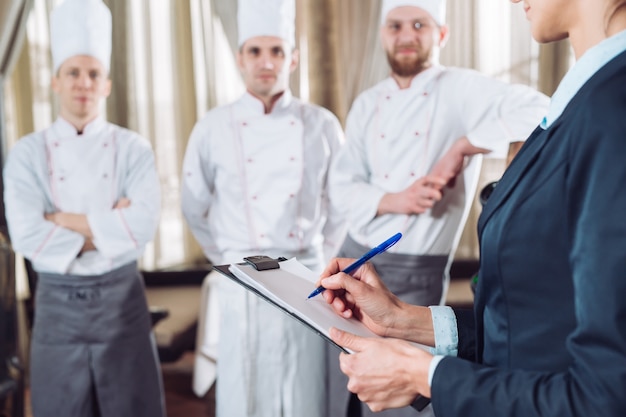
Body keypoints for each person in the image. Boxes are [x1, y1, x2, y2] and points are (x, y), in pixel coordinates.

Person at [318, 0, 626, 415]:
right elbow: (529, 325)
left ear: (440, 35)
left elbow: (603, 392)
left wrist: (423, 375)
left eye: (418, 24)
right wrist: (402, 319)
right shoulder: (585, 102)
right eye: (394, 25)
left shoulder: (609, 112)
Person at [180, 0, 345, 415]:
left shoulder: (322, 124)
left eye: (276, 51)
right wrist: (228, 259)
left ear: (293, 57)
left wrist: (317, 262)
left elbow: (341, 206)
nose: (265, 62)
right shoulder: (213, 127)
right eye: (255, 51)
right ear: (240, 58)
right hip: (243, 282)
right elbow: (193, 206)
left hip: (303, 281)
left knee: (306, 396)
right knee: (243, 396)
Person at [2, 0, 165, 416]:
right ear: (55, 81)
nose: (83, 83)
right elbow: (26, 235)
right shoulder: (27, 154)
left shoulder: (134, 148)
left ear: (107, 84)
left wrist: (61, 222)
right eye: (73, 72)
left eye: (94, 74)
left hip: (123, 309)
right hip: (58, 313)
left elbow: (143, 225)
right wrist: (111, 226)